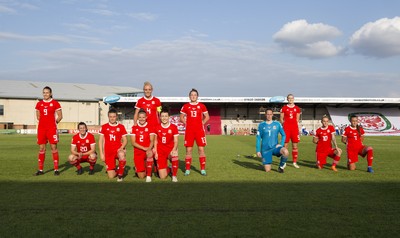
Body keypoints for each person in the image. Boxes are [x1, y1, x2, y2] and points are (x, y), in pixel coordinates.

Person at [180, 88, 210, 176]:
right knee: (188, 150)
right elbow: (181, 118)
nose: (193, 96)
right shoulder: (185, 106)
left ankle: (202, 169)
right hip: (189, 131)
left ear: (197, 96)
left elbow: (207, 117)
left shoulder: (202, 106)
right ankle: (188, 169)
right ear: (189, 96)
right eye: (192, 95)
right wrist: (187, 123)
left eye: (195, 95)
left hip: (199, 131)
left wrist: (202, 123)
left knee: (201, 149)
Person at [34, 86, 63, 176]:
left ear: (50, 93)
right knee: (42, 148)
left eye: (47, 92)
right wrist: (43, 123)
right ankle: (40, 170)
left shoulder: (55, 103)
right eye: (44, 92)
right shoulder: (39, 104)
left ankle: (56, 169)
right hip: (42, 129)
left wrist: (54, 123)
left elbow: (60, 116)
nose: (45, 94)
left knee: (53, 148)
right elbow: (38, 116)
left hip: (51, 129)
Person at [99, 108, 128, 182]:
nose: (112, 118)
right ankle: (119, 169)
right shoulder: (104, 127)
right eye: (110, 116)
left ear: (116, 117)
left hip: (118, 150)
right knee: (111, 176)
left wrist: (121, 148)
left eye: (114, 116)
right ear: (108, 117)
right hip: (108, 152)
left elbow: (125, 140)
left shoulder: (121, 127)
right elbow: (100, 141)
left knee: (122, 155)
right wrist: (102, 154)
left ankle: (120, 176)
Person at [256, 108, 289, 173]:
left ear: (272, 114)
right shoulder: (261, 125)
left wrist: (281, 144)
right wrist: (258, 151)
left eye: (270, 114)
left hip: (275, 147)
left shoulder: (277, 124)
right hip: (265, 149)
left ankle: (281, 167)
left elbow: (284, 135)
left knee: (285, 151)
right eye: (268, 114)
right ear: (265, 115)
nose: (269, 116)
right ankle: (266, 162)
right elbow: (258, 138)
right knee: (267, 170)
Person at [154, 108, 179, 182]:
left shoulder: (174, 127)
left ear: (169, 117)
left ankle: (174, 176)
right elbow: (155, 141)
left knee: (175, 155)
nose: (164, 118)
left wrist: (174, 149)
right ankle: (169, 168)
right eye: (162, 116)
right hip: (160, 151)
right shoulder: (157, 127)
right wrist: (155, 151)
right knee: (162, 177)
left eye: (166, 116)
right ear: (160, 117)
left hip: (170, 150)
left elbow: (176, 141)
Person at [131, 109, 156, 182]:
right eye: (140, 117)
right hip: (138, 152)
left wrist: (148, 148)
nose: (142, 119)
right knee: (141, 176)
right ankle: (141, 169)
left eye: (143, 117)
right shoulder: (134, 128)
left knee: (150, 153)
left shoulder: (150, 126)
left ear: (146, 117)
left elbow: (152, 140)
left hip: (147, 150)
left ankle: (149, 176)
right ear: (138, 118)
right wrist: (143, 148)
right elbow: (133, 142)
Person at [280, 94, 301, 168]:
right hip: (286, 128)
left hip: (294, 129)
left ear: (293, 99)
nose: (290, 99)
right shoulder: (284, 108)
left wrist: (295, 125)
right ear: (287, 99)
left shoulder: (297, 108)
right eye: (289, 98)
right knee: (285, 145)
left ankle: (294, 162)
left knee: (295, 146)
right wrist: (284, 125)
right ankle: (284, 162)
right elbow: (281, 118)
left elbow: (297, 119)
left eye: (291, 98)